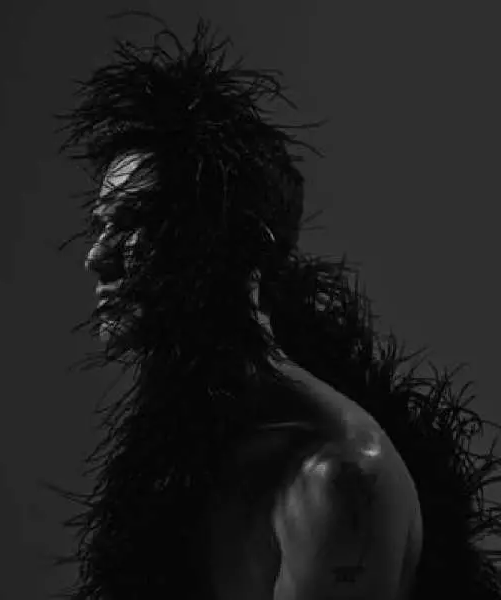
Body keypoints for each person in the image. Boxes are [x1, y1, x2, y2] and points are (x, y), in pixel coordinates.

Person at [45, 10, 501, 600]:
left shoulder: (335, 479)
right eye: (101, 224)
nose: (97, 257)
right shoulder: (187, 450)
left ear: (238, 244)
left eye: (137, 222)